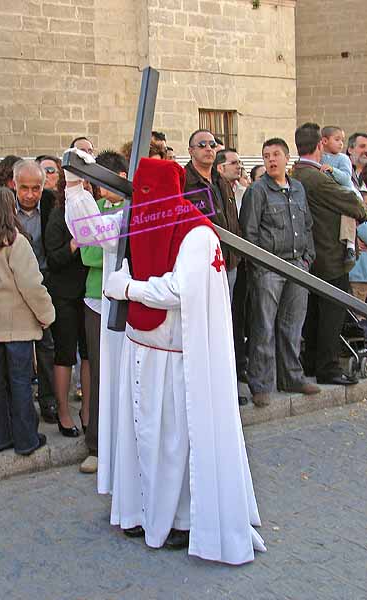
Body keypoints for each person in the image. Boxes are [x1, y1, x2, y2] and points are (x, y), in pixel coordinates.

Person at [103, 158, 265, 563]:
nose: (145, 200)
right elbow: (109, 248)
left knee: (175, 439)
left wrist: (129, 288)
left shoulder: (197, 232)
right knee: (142, 435)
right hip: (141, 349)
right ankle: (141, 510)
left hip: (178, 357)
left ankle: (183, 518)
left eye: (151, 192)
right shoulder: (139, 220)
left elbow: (179, 290)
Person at [0, 187, 54, 455]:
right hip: (19, 326)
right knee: (20, 383)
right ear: (8, 208)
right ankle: (26, 440)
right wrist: (46, 315)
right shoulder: (16, 242)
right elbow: (31, 284)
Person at [63, 148, 126, 494]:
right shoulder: (94, 209)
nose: (99, 190)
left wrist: (111, 249)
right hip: (96, 299)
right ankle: (97, 447)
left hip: (127, 297)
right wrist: (110, 250)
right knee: (100, 375)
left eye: (104, 181)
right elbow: (89, 252)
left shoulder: (134, 211)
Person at [240, 138, 319, 406]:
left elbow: (307, 225)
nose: (271, 160)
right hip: (269, 268)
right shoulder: (257, 191)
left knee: (293, 325)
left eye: (276, 155)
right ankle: (261, 384)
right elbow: (249, 232)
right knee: (264, 326)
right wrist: (260, 265)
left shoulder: (298, 188)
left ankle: (292, 377)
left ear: (287, 158)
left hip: (298, 265)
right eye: (266, 156)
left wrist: (308, 259)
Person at [292, 123, 366, 385]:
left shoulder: (297, 173)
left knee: (313, 314)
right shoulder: (316, 178)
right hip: (330, 256)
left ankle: (312, 363)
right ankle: (328, 368)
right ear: (321, 144)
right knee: (331, 315)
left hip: (311, 256)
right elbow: (357, 206)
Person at [13, 159, 57, 423]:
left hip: (45, 283)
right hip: (15, 287)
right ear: (14, 185)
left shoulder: (52, 204)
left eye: (36, 188)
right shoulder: (5, 207)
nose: (30, 195)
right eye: (24, 188)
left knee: (46, 345)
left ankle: (49, 399)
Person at [44, 189, 90, 439]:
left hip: (91, 292)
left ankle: (87, 412)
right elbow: (53, 259)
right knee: (64, 354)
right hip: (63, 294)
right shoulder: (58, 215)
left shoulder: (96, 212)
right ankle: (63, 412)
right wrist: (74, 243)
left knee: (89, 355)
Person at [184, 130, 241, 300]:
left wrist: (236, 254)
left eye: (212, 145)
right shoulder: (183, 181)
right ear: (190, 151)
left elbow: (233, 218)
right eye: (202, 145)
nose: (208, 148)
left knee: (224, 317)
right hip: (199, 265)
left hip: (228, 262)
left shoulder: (222, 181)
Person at [321, 126, 362, 265]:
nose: (340, 143)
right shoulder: (319, 157)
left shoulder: (343, 158)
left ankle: (350, 246)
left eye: (342, 140)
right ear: (324, 141)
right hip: (331, 195)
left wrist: (332, 170)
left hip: (346, 193)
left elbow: (346, 178)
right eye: (337, 139)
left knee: (347, 213)